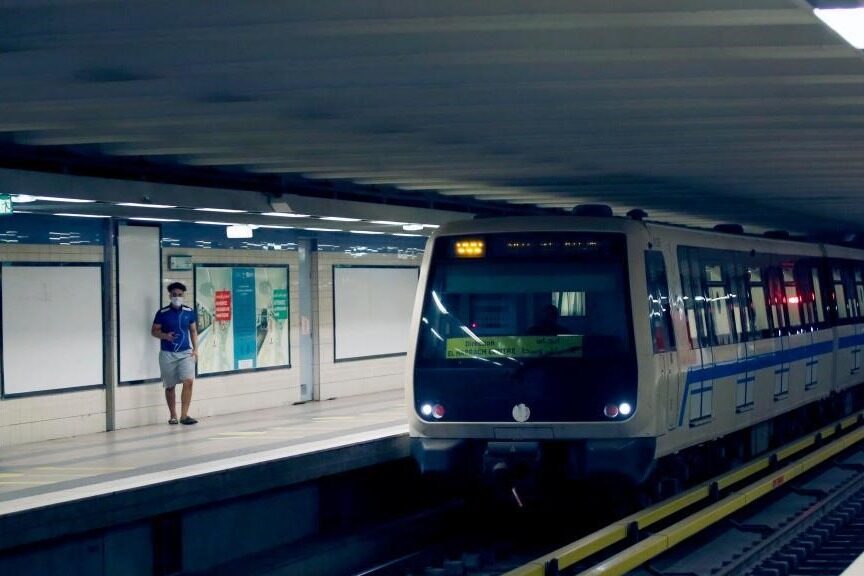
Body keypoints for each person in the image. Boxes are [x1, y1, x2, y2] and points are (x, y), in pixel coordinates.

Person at [151, 282, 199, 425]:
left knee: (188, 381)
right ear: (169, 296)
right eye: (174, 295)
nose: (177, 297)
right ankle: (173, 415)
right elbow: (154, 331)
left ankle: (184, 415)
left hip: (186, 352)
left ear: (183, 296)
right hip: (168, 354)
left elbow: (193, 331)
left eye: (179, 295)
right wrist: (165, 336)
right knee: (170, 386)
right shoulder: (162, 313)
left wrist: (195, 349)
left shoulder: (189, 312)